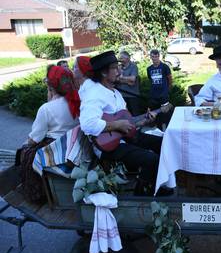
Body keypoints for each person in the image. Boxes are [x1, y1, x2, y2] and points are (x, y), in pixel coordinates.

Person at [79, 51, 163, 195]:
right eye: (115, 68)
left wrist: (144, 121)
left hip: (125, 137)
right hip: (108, 147)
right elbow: (87, 124)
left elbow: (128, 123)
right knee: (152, 159)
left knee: (164, 143)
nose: (120, 71)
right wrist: (117, 125)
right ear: (104, 73)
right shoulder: (94, 95)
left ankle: (155, 181)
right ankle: (142, 191)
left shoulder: (115, 93)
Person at [20, 65, 80, 202]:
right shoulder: (77, 101)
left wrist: (25, 144)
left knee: (26, 154)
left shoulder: (46, 109)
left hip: (56, 150)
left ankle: (39, 196)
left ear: (50, 87)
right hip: (74, 147)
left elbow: (34, 139)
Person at [146, 49, 174, 130]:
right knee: (156, 114)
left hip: (163, 95)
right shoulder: (149, 69)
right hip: (154, 95)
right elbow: (150, 80)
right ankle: (159, 130)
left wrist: (168, 90)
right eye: (152, 56)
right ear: (150, 57)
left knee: (165, 114)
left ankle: (168, 129)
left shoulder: (165, 67)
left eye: (156, 56)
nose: (154, 58)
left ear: (159, 56)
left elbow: (170, 79)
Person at [116, 51, 140, 116]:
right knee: (125, 114)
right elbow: (116, 79)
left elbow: (133, 79)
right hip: (122, 95)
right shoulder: (119, 67)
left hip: (132, 95)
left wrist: (122, 77)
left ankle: (138, 126)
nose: (119, 60)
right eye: (119, 58)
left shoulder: (133, 66)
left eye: (121, 58)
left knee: (135, 113)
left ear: (127, 58)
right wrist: (127, 81)